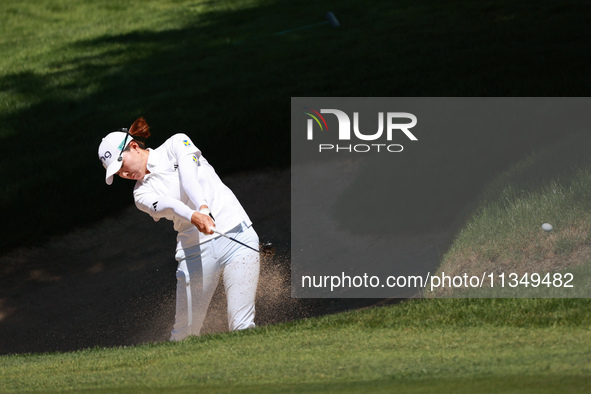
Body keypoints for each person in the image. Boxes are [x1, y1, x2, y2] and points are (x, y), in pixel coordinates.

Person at [98, 117, 260, 341]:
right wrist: (195, 216)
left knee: (242, 324)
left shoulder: (177, 143)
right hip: (195, 253)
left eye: (122, 166)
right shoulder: (140, 194)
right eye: (118, 174)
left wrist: (203, 207)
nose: (124, 174)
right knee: (184, 335)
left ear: (134, 147)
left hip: (237, 234)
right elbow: (171, 205)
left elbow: (188, 178)